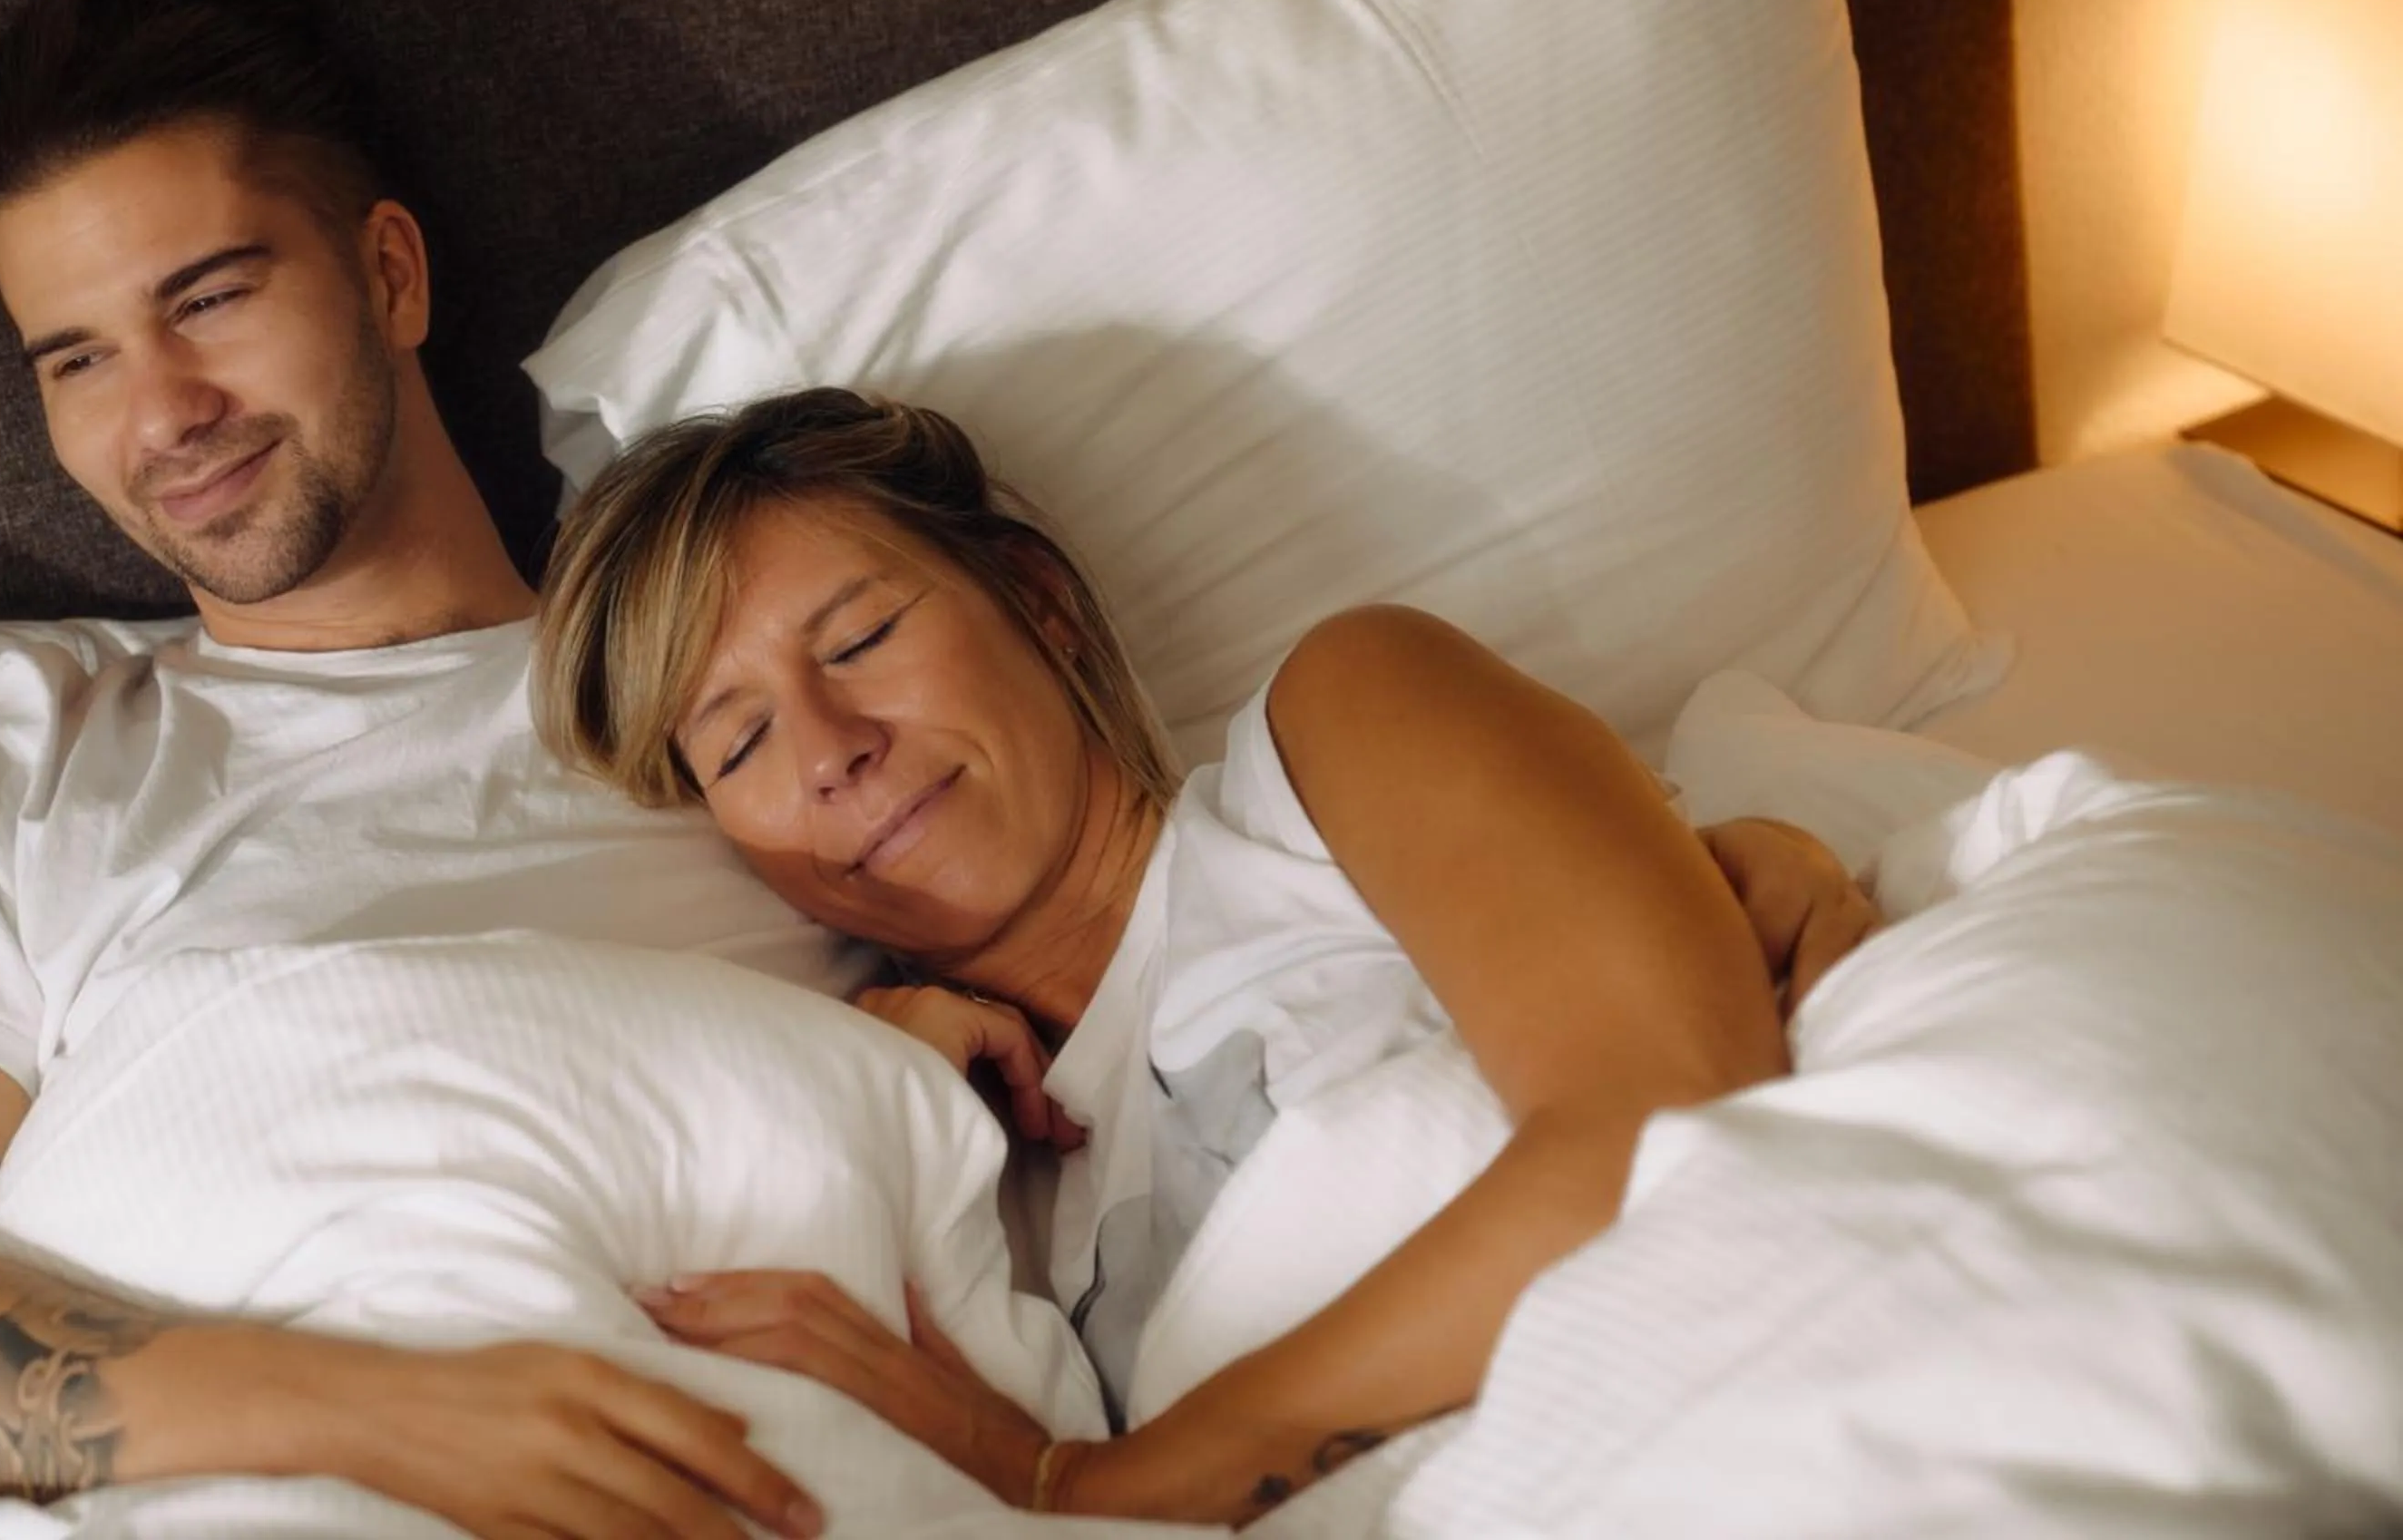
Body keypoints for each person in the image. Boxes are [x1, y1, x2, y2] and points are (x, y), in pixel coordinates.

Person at [0, 0, 839, 1540]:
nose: (161, 413)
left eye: (211, 300)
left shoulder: (726, 659)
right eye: (79, 358)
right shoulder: (21, 771)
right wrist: (387, 1418)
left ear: (390, 276)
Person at [532, 386, 1879, 1527]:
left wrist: (1088, 1488)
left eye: (863, 639)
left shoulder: (1336, 734)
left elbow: (1658, 1113)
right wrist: (855, 1107)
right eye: (741, 743)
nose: (831, 749)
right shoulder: (927, 1187)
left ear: (1040, 602)